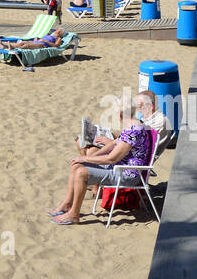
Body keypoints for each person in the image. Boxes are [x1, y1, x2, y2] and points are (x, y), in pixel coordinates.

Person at [48, 94, 154, 225]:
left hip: (127, 174)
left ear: (120, 115)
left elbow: (111, 158)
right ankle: (67, 204)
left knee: (81, 173)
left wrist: (87, 157)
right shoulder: (134, 125)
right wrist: (89, 158)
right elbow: (114, 143)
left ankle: (74, 214)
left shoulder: (133, 132)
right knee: (77, 165)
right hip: (120, 167)